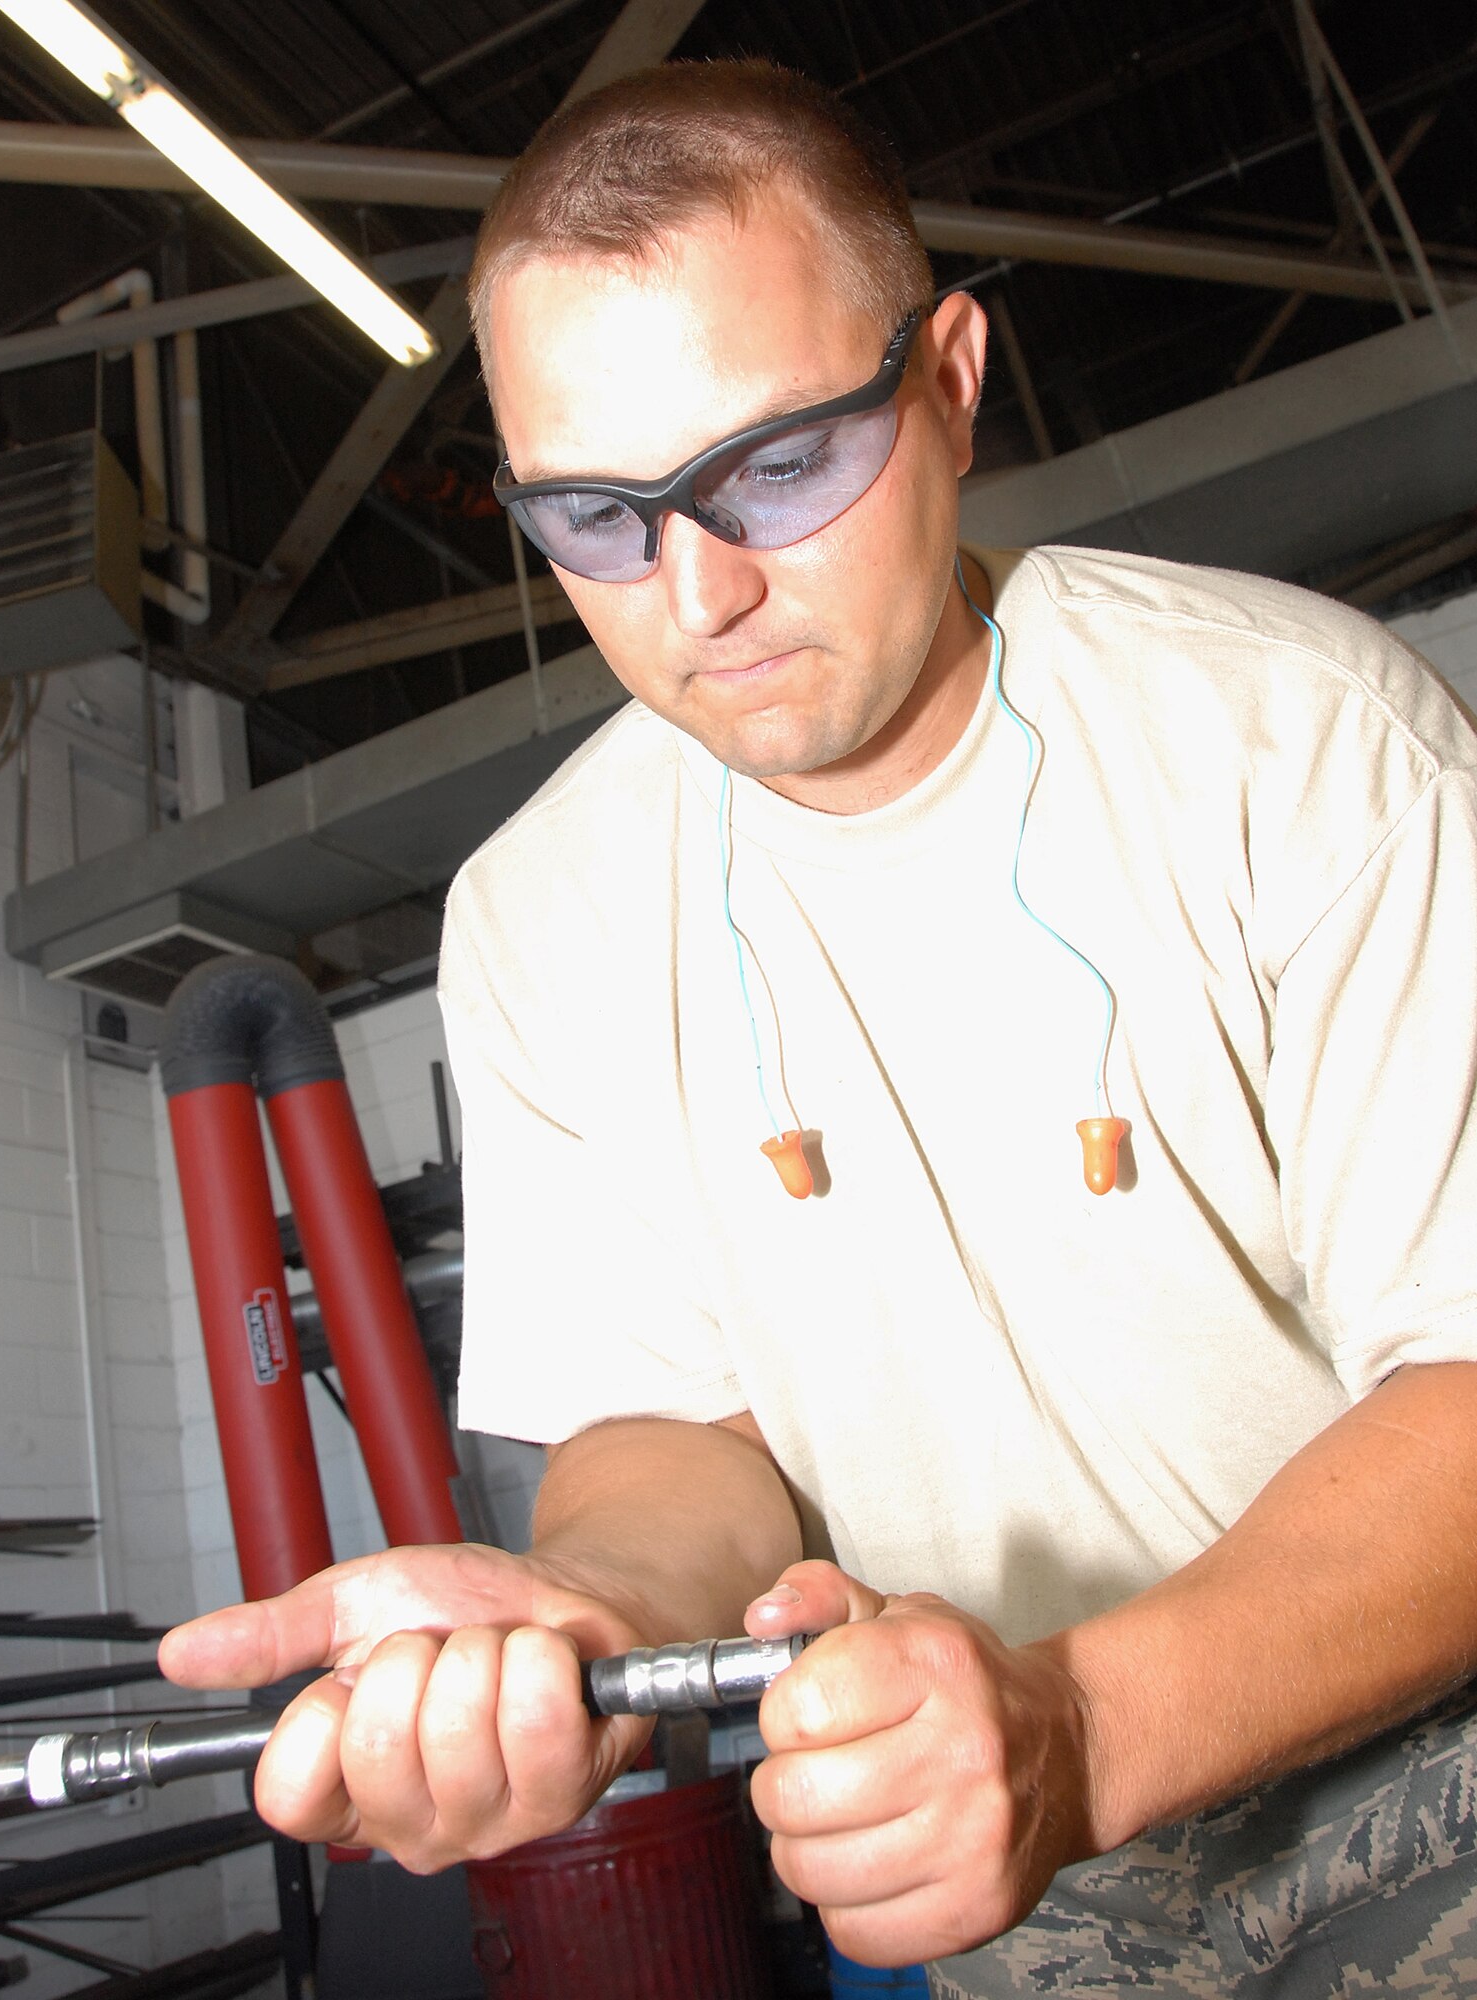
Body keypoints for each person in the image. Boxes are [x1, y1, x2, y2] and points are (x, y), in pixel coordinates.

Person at [160, 60, 1477, 1996]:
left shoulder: (1294, 743)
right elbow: (680, 1438)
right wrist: (588, 1614)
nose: (699, 592)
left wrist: (1084, 1728)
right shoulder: (541, 917)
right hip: (999, 1884)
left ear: (946, 383)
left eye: (775, 463)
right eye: (595, 520)